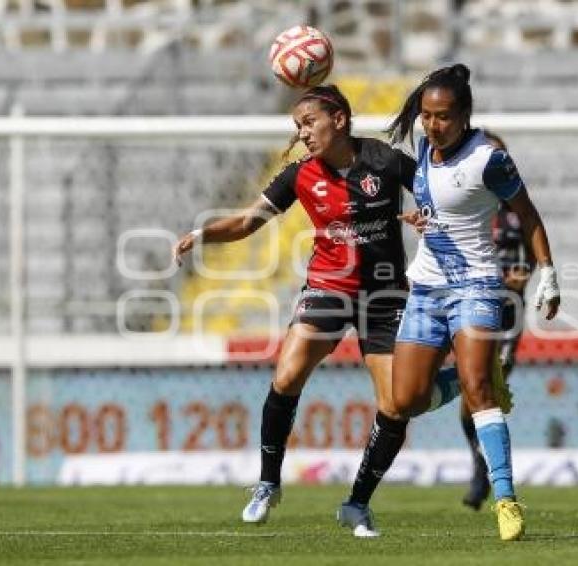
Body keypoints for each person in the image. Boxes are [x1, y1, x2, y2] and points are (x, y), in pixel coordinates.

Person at [172, 85, 460, 538]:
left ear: (339, 120)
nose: (303, 133)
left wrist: (428, 218)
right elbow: (248, 222)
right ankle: (268, 482)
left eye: (309, 123)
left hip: (383, 297)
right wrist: (201, 234)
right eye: (298, 127)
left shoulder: (385, 161)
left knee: (400, 404)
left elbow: (437, 197)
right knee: (286, 375)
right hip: (328, 288)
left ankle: (357, 504)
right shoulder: (299, 175)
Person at [387, 64, 560, 541]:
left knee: (479, 391)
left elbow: (527, 214)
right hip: (425, 287)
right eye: (426, 115)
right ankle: (476, 374)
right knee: (405, 400)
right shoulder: (425, 147)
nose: (432, 125)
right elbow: (445, 204)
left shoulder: (490, 158)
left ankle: (506, 499)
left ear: (464, 114)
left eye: (442, 116)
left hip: (477, 285)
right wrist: (425, 219)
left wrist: (548, 272)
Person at [460, 130, 536, 511]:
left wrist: (524, 275)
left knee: (487, 385)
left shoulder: (514, 207)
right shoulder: (464, 205)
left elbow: (532, 251)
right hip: (468, 305)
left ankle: (489, 473)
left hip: (506, 308)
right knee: (470, 392)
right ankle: (481, 464)